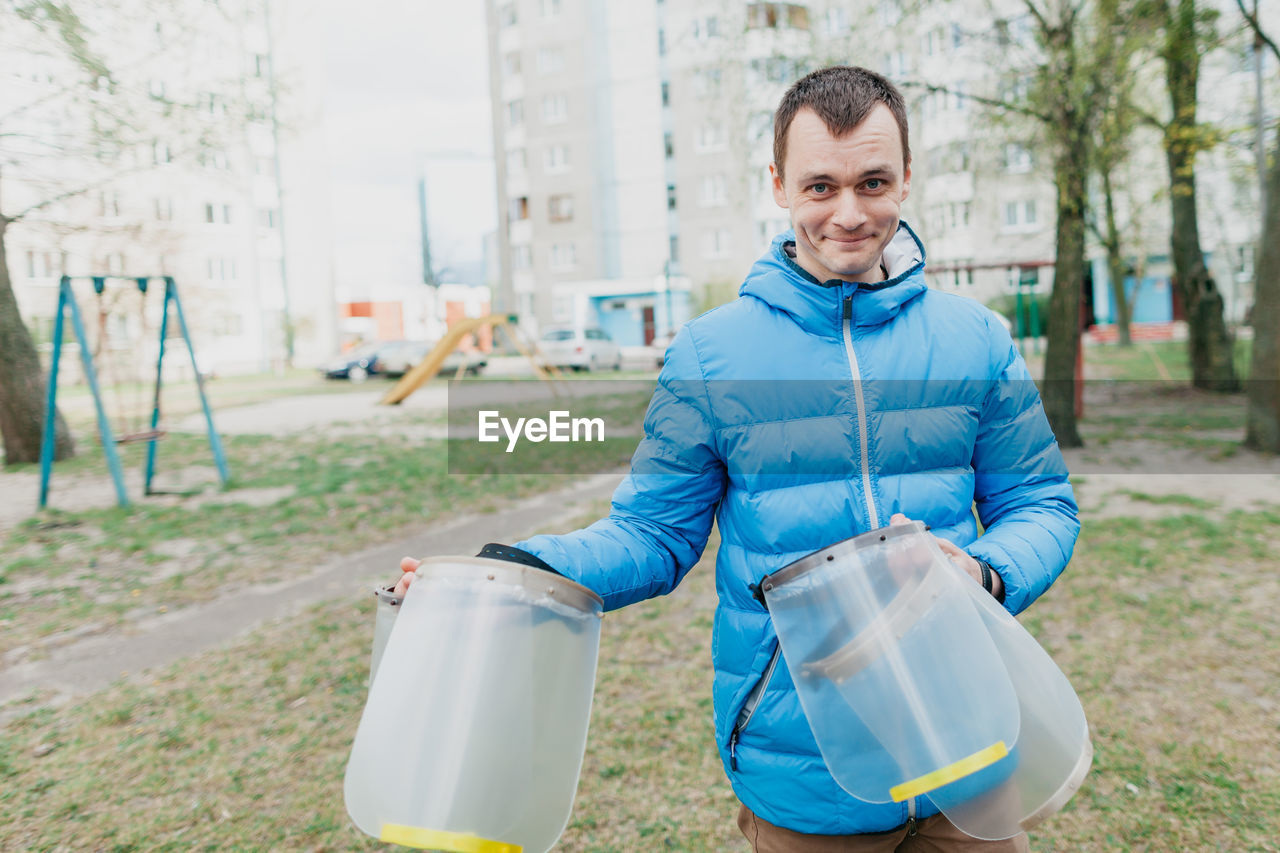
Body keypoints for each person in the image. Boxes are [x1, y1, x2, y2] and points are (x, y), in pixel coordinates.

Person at [397, 66, 1078, 852]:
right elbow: (651, 535)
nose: (850, 214)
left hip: (968, 739)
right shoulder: (711, 356)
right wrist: (513, 569)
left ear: (907, 179)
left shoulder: (978, 339)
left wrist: (985, 571)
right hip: (803, 763)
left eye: (874, 182)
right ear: (780, 184)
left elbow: (1041, 504)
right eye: (820, 186)